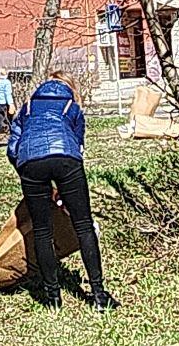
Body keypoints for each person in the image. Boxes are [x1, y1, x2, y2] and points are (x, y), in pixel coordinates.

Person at [7, 71, 117, 311]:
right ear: (70, 88)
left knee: (42, 231)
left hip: (31, 163)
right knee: (84, 226)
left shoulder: (26, 109)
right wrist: (65, 187)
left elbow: (13, 149)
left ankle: (52, 298)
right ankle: (99, 295)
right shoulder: (72, 107)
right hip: (67, 160)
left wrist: (27, 172)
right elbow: (78, 146)